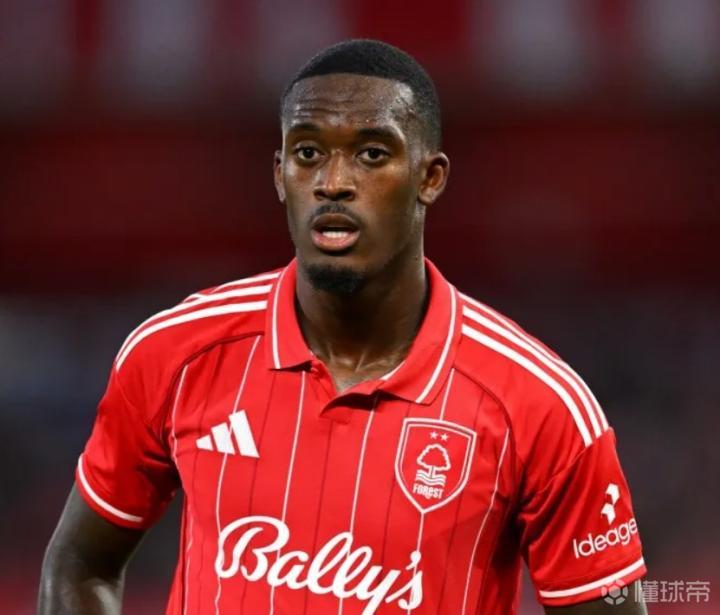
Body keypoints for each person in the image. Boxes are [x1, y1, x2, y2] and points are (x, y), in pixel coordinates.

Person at [39, 39, 647, 614]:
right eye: (308, 153)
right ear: (280, 174)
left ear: (430, 178)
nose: (333, 182)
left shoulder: (541, 406)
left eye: (371, 154)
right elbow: (80, 563)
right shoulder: (174, 352)